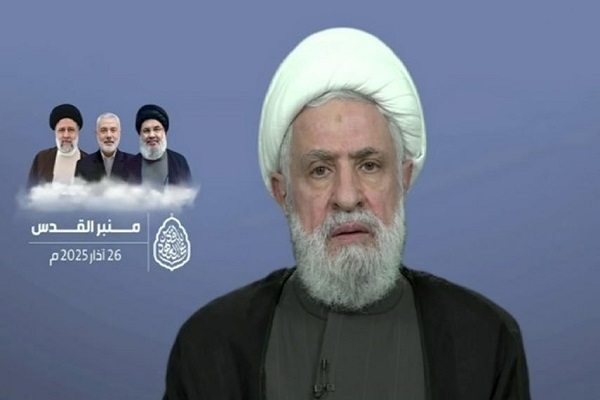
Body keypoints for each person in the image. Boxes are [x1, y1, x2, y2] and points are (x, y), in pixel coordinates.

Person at [163, 27, 530, 400]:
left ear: (403, 179)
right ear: (282, 192)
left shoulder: (486, 341)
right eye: (320, 170)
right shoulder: (209, 346)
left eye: (369, 165)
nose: (347, 197)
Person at [124, 104, 192, 187]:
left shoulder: (179, 162)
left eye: (157, 129)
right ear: (140, 135)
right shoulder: (128, 167)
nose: (151, 135)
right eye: (146, 131)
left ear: (165, 133)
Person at [27, 103, 88, 188]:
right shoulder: (41, 159)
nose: (66, 135)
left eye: (71, 130)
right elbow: (30, 192)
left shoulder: (91, 164)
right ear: (55, 132)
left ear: (78, 131)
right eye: (61, 130)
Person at [75, 112, 133, 182]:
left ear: (119, 134)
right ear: (96, 134)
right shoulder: (83, 165)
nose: (109, 135)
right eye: (103, 130)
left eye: (113, 130)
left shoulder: (133, 163)